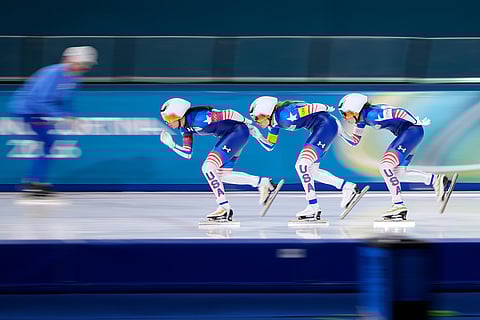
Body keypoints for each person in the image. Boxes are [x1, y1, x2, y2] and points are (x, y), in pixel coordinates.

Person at [159, 98, 283, 222]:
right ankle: (264, 183)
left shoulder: (200, 118)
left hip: (237, 132)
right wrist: (173, 145)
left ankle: (224, 207)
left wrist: (247, 122)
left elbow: (229, 113)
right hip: (232, 136)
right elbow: (187, 153)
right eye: (165, 119)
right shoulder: (184, 128)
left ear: (180, 113)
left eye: (170, 118)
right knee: (223, 175)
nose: (167, 122)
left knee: (208, 167)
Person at [337, 93, 454, 220]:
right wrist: (341, 132)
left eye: (346, 113)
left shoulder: (372, 115)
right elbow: (355, 141)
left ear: (356, 109)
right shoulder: (362, 119)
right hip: (410, 134)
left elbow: (399, 112)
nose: (344, 117)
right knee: (398, 173)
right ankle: (436, 180)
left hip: (410, 132)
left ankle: (398, 205)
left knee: (385, 166)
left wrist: (415, 121)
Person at [248, 96, 364, 221]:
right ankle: (348, 187)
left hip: (326, 125)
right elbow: (270, 145)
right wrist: (257, 135)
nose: (256, 121)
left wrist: (326, 107)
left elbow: (311, 107)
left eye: (257, 117)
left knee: (301, 165)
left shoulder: (285, 114)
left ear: (267, 112)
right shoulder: (273, 123)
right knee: (312, 171)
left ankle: (313, 207)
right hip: (323, 127)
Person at [8, 46, 97, 197]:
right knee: (48, 140)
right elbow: (37, 101)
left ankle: (34, 181)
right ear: (70, 60)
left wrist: (72, 116)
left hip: (37, 112)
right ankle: (33, 181)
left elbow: (66, 100)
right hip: (26, 110)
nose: (84, 68)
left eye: (87, 65)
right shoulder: (51, 73)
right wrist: (62, 116)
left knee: (49, 141)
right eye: (82, 64)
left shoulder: (74, 78)